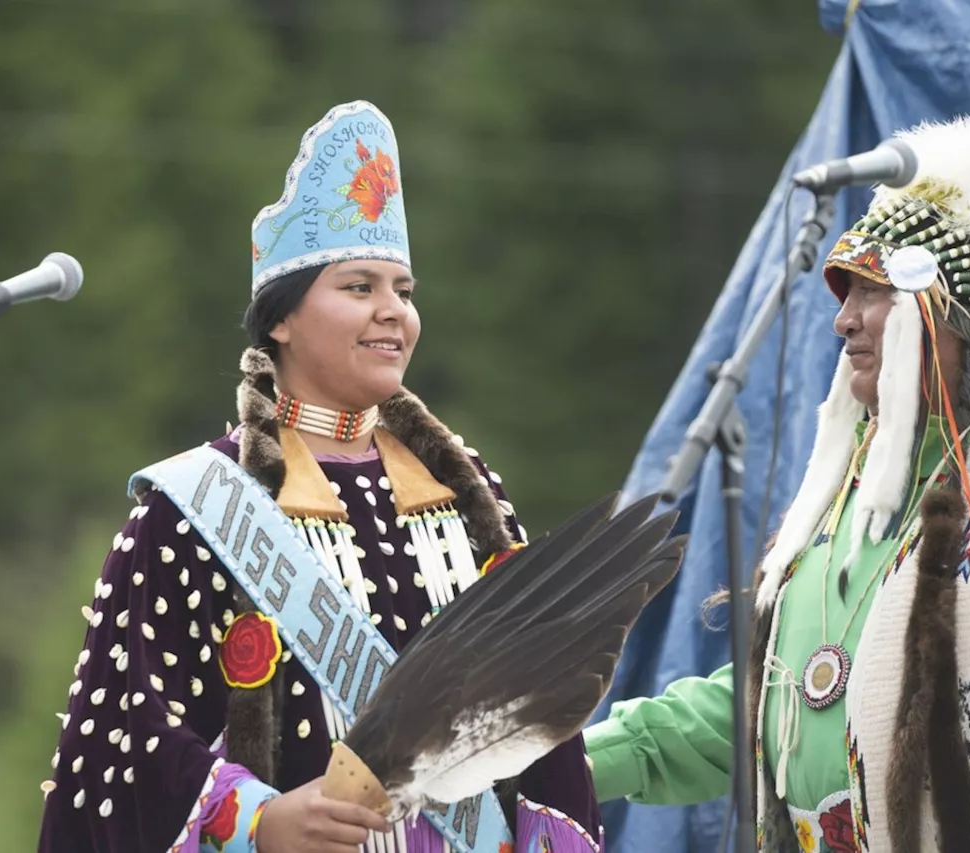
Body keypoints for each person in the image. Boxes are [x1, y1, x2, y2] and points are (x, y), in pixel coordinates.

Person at [37, 100, 604, 853]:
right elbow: (114, 741)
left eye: (403, 289)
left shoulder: (473, 502)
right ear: (281, 319)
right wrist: (254, 819)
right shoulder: (195, 508)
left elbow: (541, 723)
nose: (392, 312)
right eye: (359, 286)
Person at [583, 116, 970, 852]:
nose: (843, 321)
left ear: (950, 313)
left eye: (872, 293)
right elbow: (765, 705)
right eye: (842, 293)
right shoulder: (843, 505)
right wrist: (576, 760)